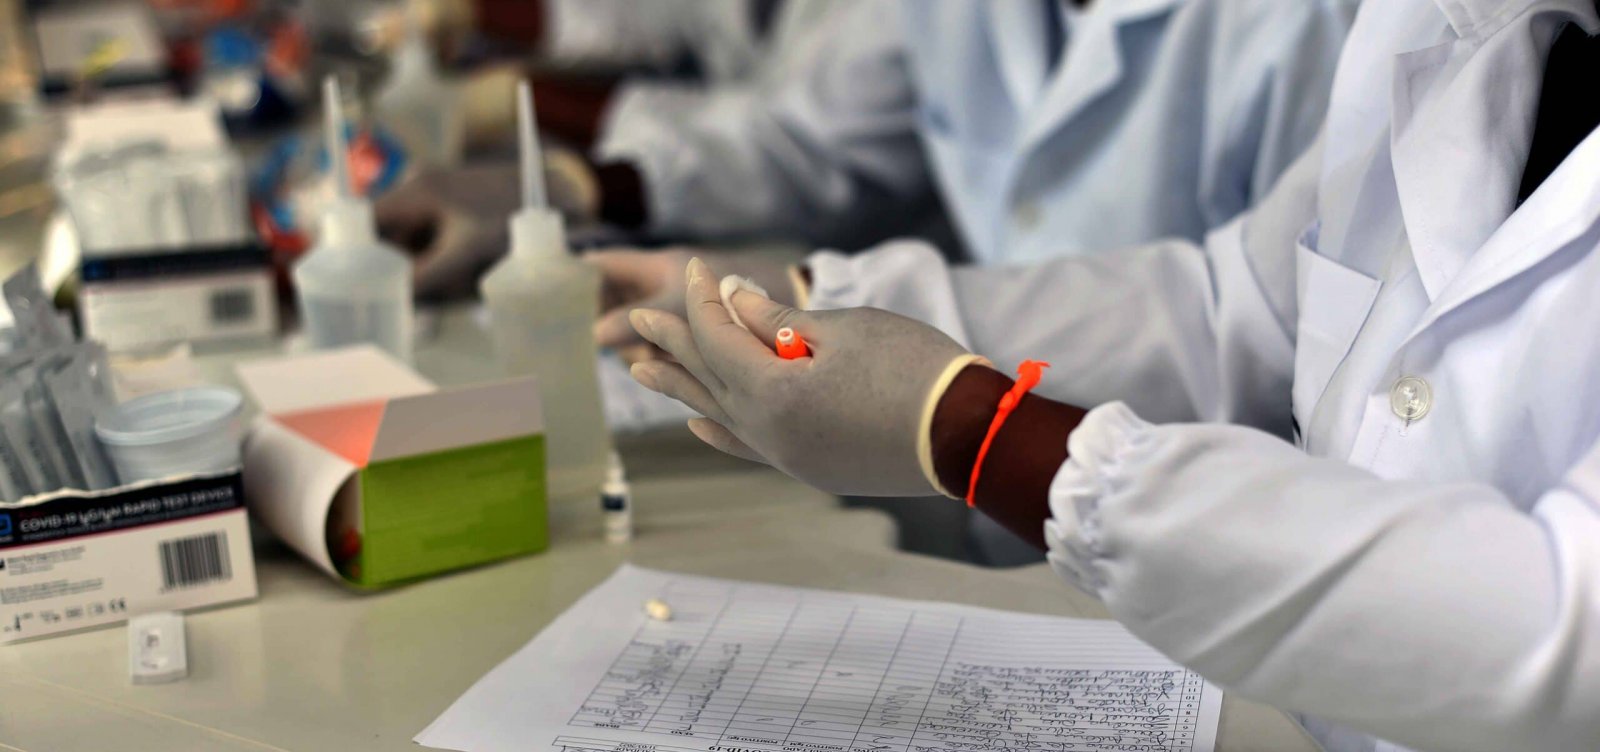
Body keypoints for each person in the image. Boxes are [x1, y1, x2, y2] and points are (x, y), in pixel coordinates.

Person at [623, 0, 1600, 750]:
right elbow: (1239, 302)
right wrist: (811, 307)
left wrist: (980, 433)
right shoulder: (1447, 24)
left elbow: (1562, 622)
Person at [373, 0, 858, 298]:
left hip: (843, 262)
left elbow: (792, 154)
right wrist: (483, 12)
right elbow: (670, 13)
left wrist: (571, 174)